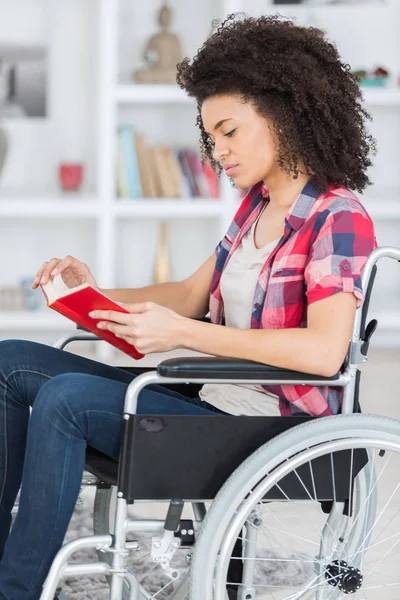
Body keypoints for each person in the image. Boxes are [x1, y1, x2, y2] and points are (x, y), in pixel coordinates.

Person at [0, 13, 377, 600]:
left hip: (266, 424)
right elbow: (187, 296)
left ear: (284, 115)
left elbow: (325, 351)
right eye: (212, 138)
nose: (217, 151)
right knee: (11, 361)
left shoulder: (338, 217)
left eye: (229, 132)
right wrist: (88, 291)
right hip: (208, 395)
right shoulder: (257, 206)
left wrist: (186, 335)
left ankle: (16, 588)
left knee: (66, 399)